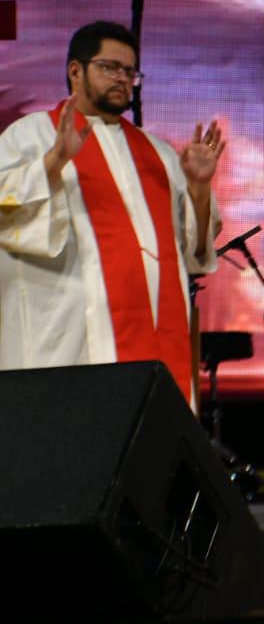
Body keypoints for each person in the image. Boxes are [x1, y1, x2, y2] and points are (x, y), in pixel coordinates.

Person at [0, 21, 223, 406]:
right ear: (75, 70)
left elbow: (193, 251)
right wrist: (54, 161)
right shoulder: (30, 134)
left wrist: (200, 188)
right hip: (67, 334)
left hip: (153, 334)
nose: (122, 79)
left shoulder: (158, 152)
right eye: (109, 67)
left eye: (129, 71)